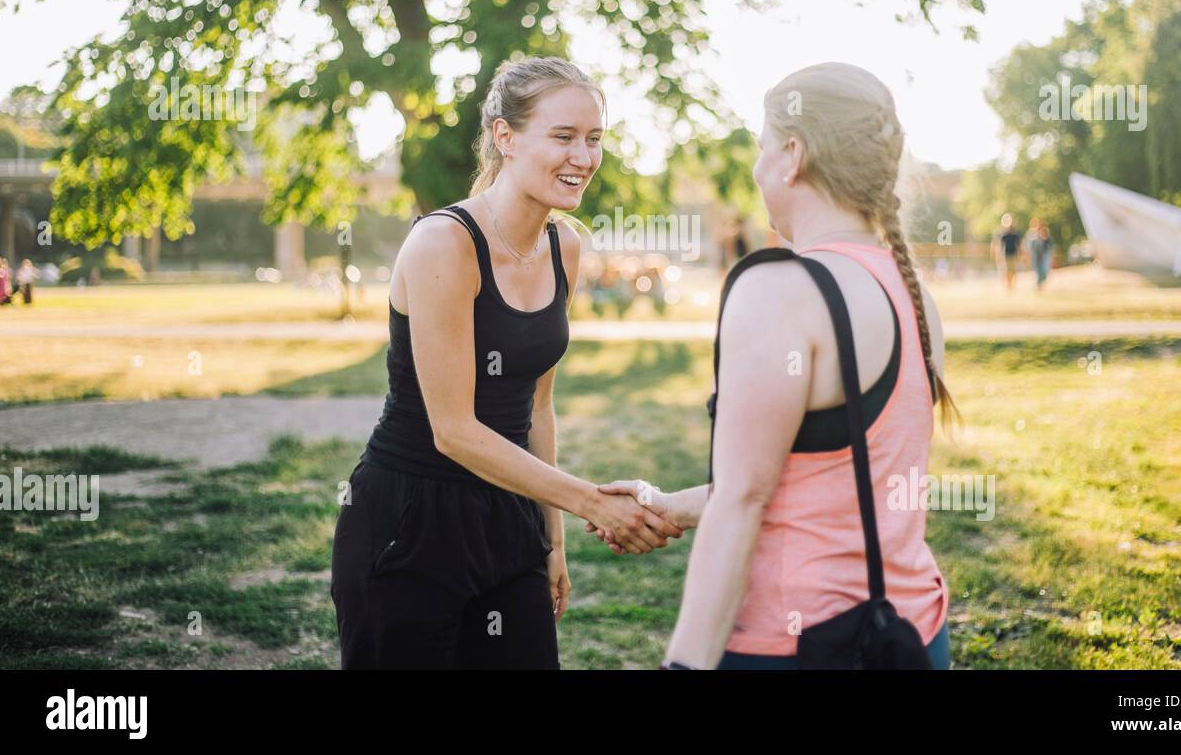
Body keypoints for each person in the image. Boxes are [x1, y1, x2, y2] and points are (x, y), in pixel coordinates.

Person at [587, 62, 957, 669]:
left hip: (801, 646)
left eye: (762, 149)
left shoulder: (780, 291)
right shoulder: (911, 292)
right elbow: (817, 476)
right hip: (909, 635)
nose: (758, 171)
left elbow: (744, 501)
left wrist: (683, 666)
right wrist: (670, 506)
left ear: (792, 155)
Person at [330, 56, 683, 670]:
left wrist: (553, 541)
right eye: (564, 136)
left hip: (510, 517)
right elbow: (454, 430)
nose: (584, 157)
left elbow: (537, 406)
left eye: (594, 139)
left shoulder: (564, 245)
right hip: (411, 520)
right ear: (505, 136)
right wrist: (593, 501)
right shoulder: (444, 241)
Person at [992, 213, 1023, 289]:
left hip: (1014, 254)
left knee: (1013, 271)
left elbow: (1019, 245)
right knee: (1006, 270)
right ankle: (1008, 285)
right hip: (1005, 255)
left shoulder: (1016, 233)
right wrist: (997, 255)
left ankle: (1011, 284)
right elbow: (997, 245)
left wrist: (1020, 255)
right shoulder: (1001, 233)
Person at [1025, 218, 1053, 289]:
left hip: (1043, 254)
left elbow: (1048, 242)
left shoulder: (1043, 231)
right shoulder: (1030, 234)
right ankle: (1038, 285)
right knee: (1037, 270)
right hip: (1035, 255)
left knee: (1044, 269)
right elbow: (1028, 246)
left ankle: (1041, 282)